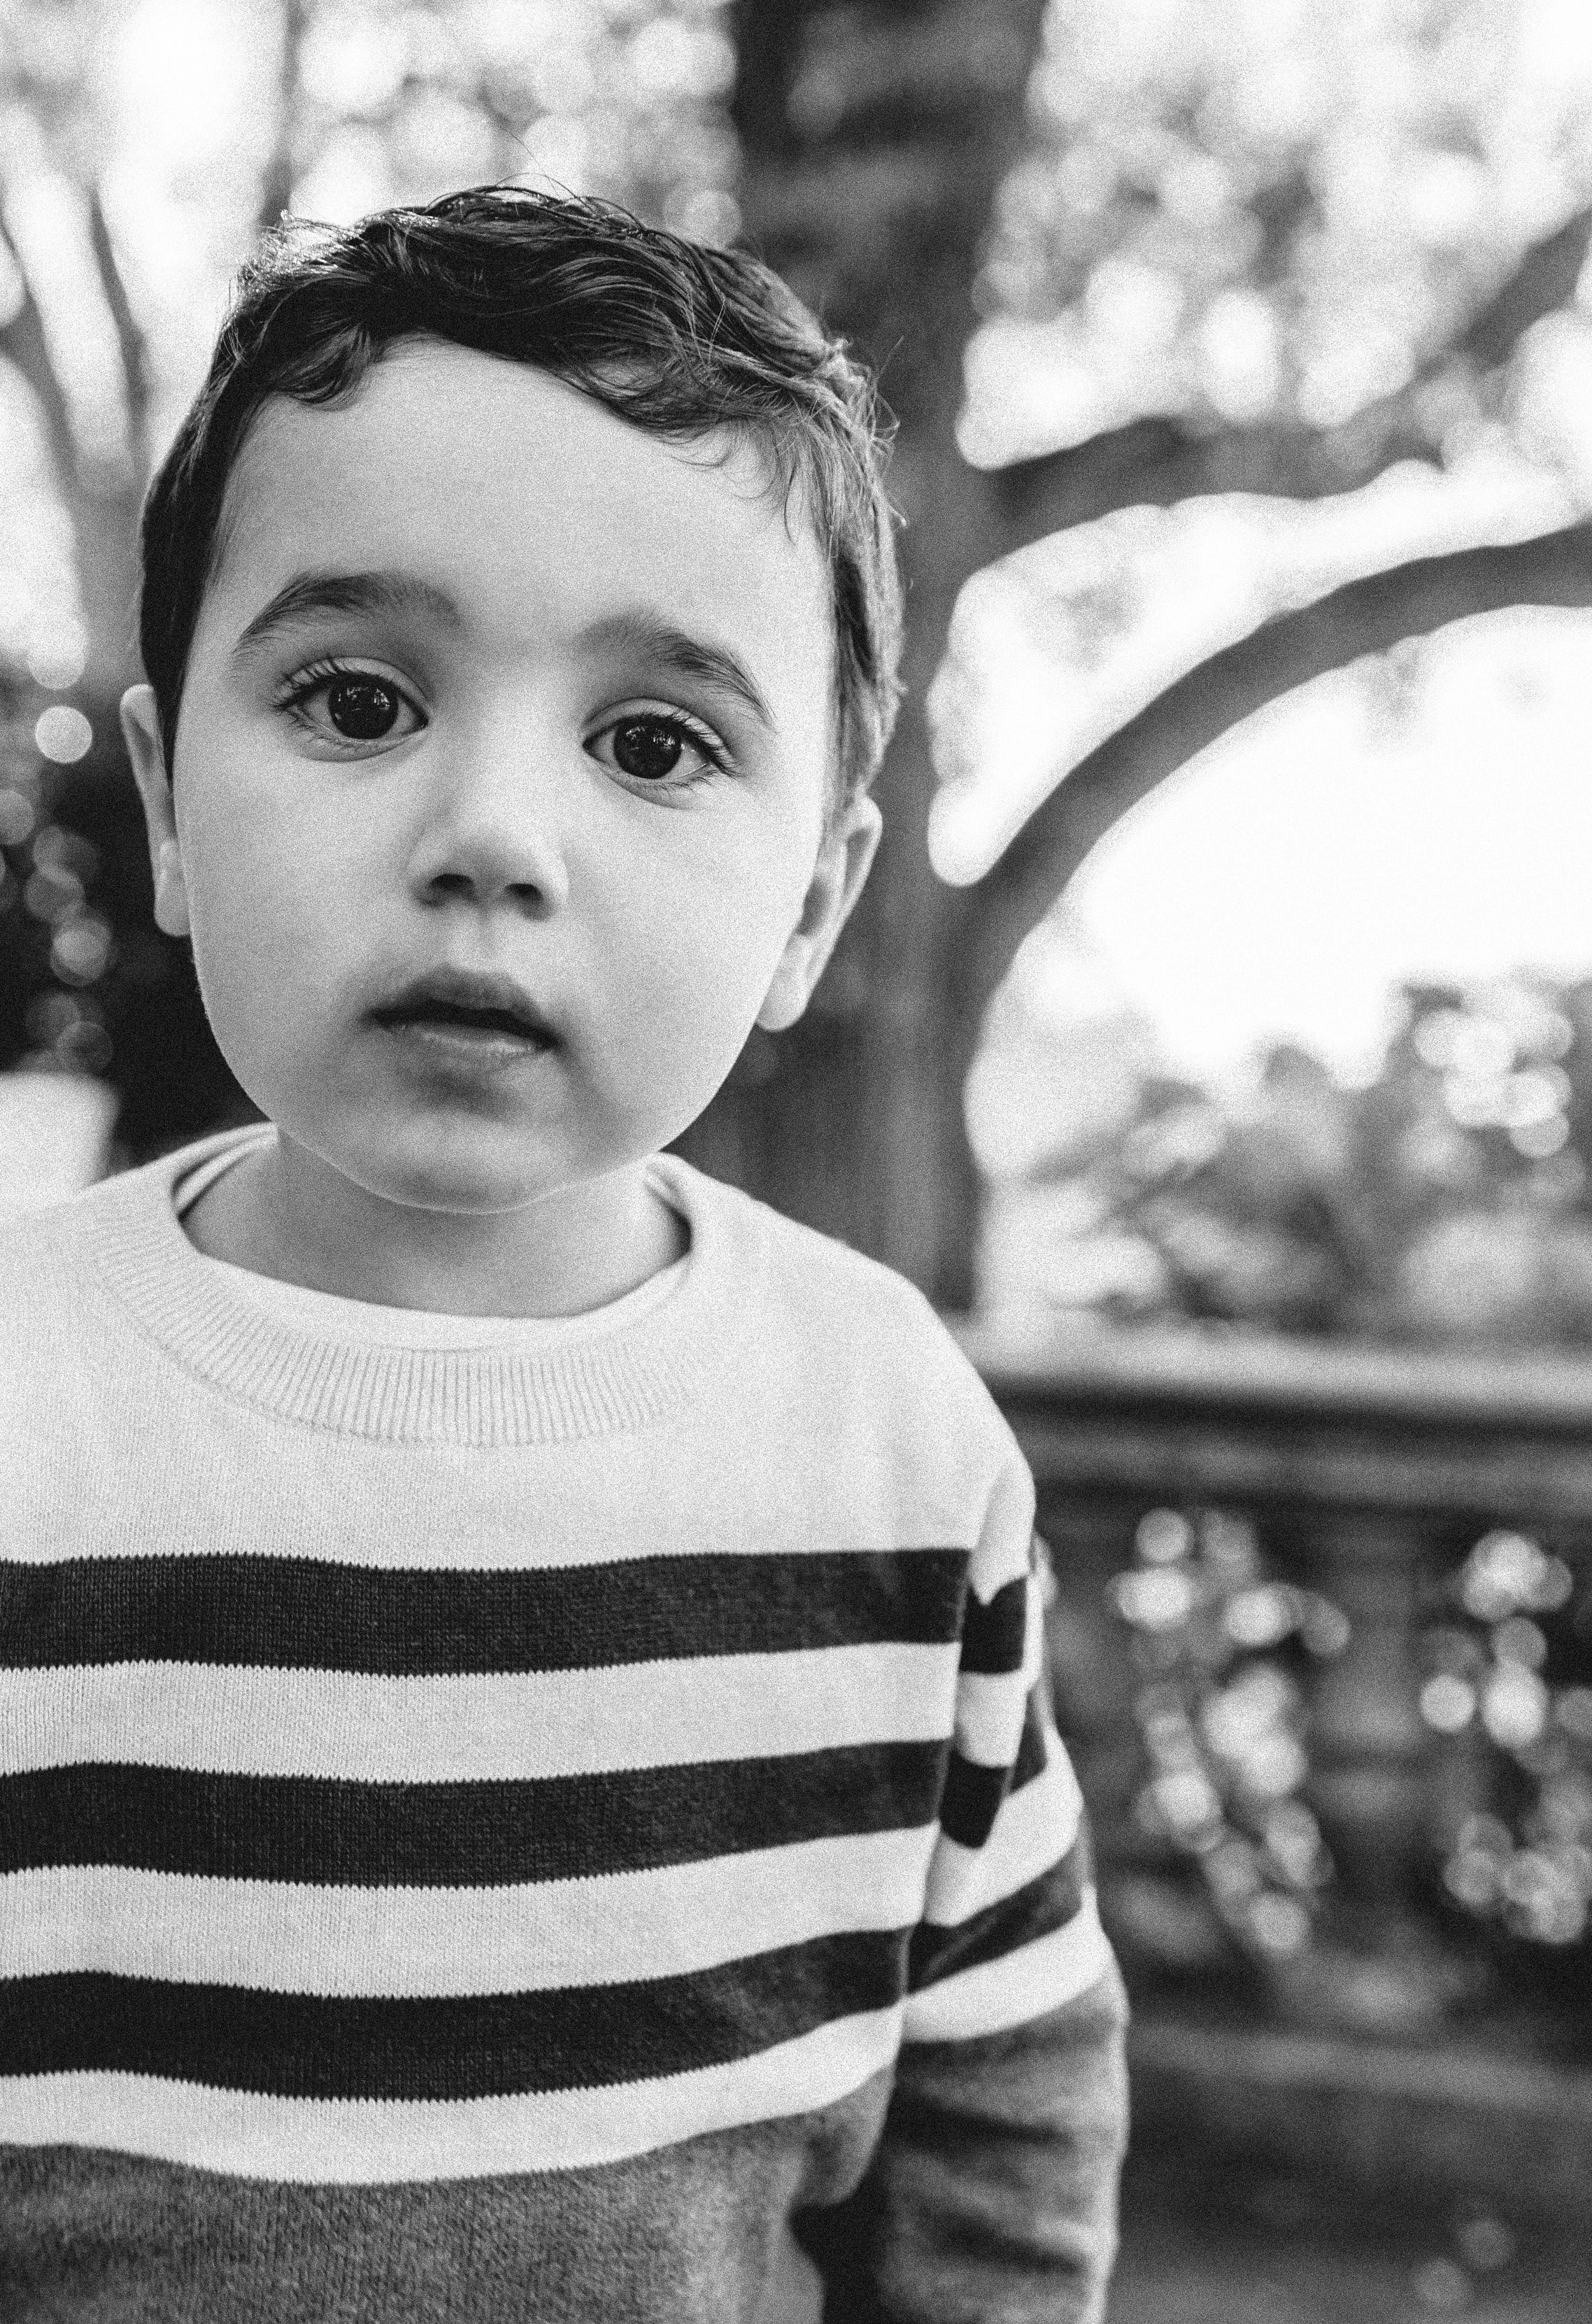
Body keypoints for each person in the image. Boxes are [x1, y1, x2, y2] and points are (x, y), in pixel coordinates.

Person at [0, 185, 1128, 2322]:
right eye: (353, 701)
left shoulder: (880, 1435)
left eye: (651, 744)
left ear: (811, 904)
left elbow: (1000, 2092)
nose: (492, 839)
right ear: (163, 805)